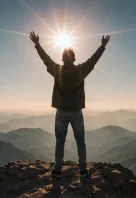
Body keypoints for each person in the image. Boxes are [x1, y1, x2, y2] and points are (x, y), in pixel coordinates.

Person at [29, 32, 110, 179]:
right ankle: (83, 170)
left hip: (61, 112)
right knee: (80, 141)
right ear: (73, 59)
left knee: (60, 142)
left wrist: (37, 44)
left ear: (62, 59)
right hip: (77, 112)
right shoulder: (80, 70)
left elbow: (45, 59)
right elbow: (93, 60)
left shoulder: (57, 70)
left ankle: (58, 170)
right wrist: (102, 46)